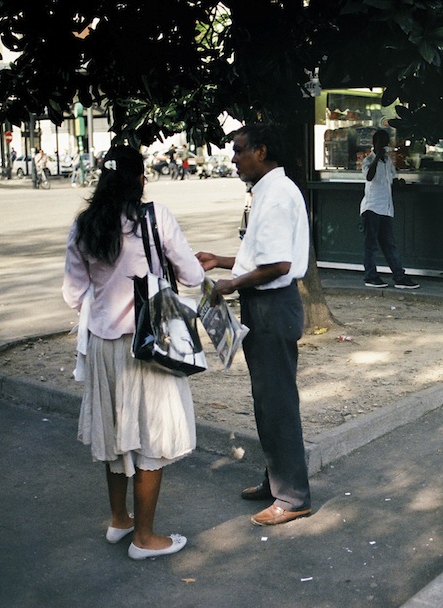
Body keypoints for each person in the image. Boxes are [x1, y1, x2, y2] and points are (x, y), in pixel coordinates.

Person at [62, 145, 204, 559]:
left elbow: (73, 294)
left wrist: (108, 297)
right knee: (151, 438)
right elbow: (192, 275)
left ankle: (119, 520)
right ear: (141, 178)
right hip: (151, 345)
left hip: (105, 346)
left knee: (116, 434)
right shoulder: (154, 217)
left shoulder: (84, 226)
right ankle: (144, 538)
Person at [196, 123, 312, 526]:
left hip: (272, 306)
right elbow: (264, 255)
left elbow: (279, 264)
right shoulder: (268, 192)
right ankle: (277, 479)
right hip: (264, 304)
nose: (233, 158)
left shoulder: (277, 196)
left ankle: (292, 496)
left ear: (261, 151)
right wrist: (223, 261)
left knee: (277, 401)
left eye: (239, 150)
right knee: (266, 400)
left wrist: (230, 283)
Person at [359, 129, 419, 289]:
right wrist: (377, 155)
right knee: (370, 245)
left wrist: (401, 182)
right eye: (381, 143)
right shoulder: (368, 161)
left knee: (389, 244)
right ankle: (370, 276)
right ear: (374, 144)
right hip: (372, 207)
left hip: (386, 208)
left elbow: (392, 179)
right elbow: (369, 177)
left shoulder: (388, 162)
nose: (384, 147)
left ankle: (399, 276)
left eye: (386, 144)